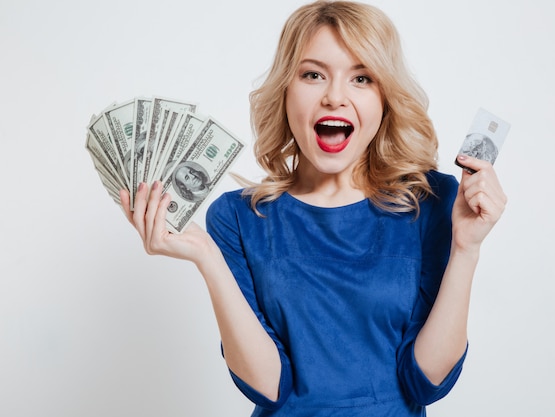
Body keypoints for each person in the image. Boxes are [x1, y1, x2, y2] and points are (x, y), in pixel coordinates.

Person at [120, 1, 507, 416]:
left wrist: (467, 248)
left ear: (384, 99)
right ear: (286, 90)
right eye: (313, 75)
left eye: (361, 77)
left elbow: (426, 381)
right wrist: (207, 258)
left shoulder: (431, 203)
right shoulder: (237, 217)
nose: (335, 97)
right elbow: (269, 387)